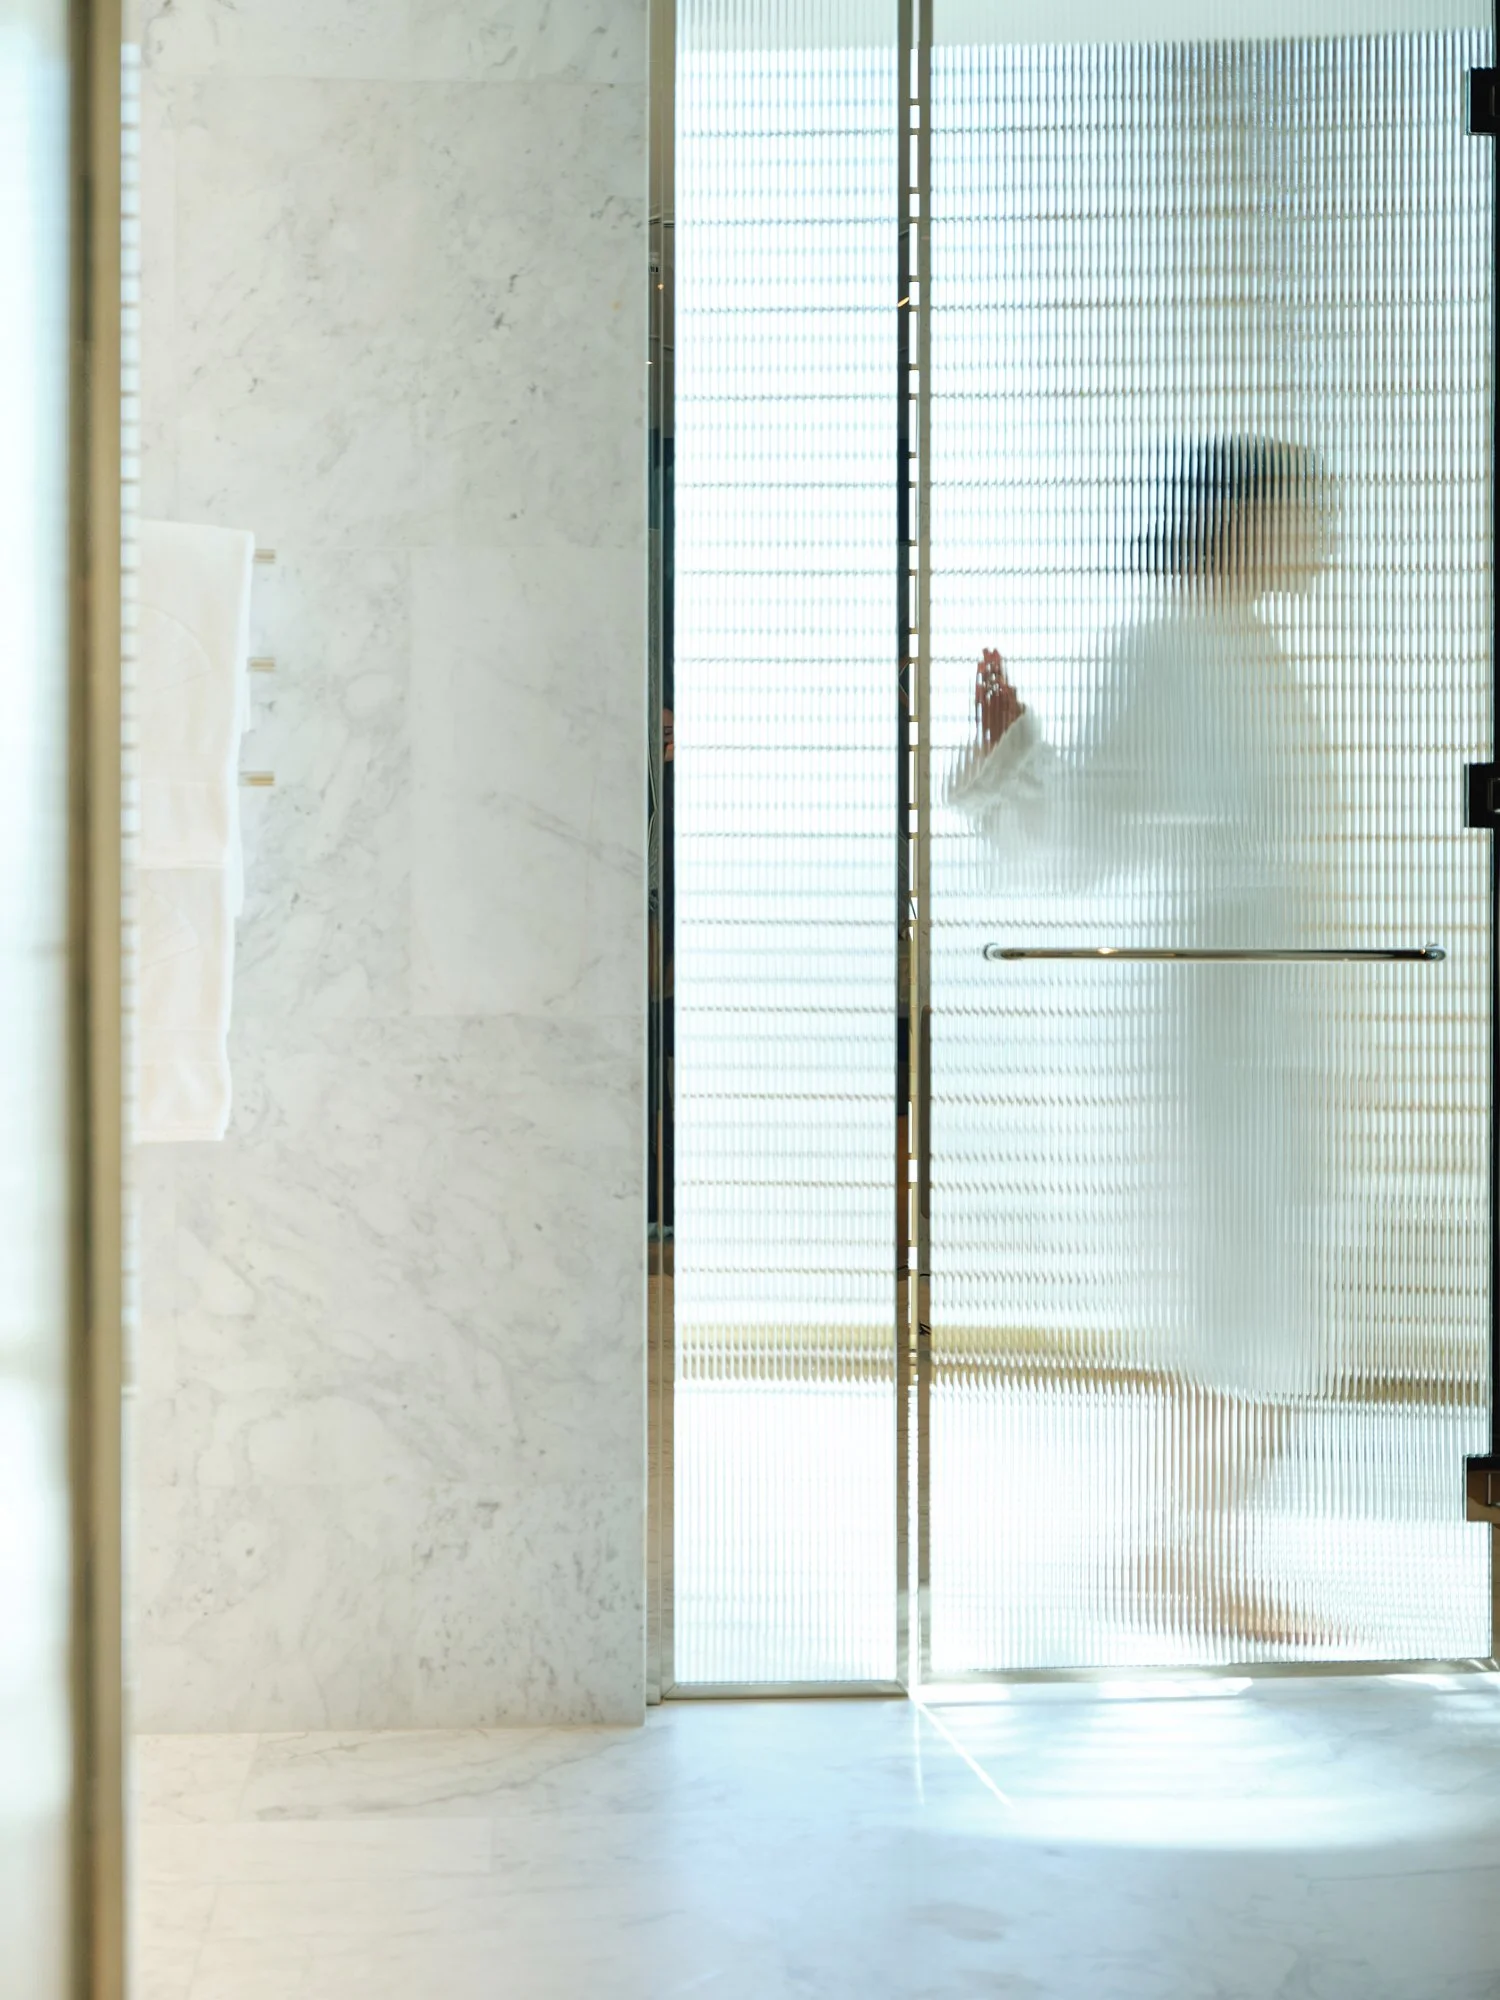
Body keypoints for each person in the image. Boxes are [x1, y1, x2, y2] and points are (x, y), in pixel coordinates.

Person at [946, 437, 1342, 1647]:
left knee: (1262, 1299)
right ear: (1238, 524)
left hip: (1273, 1014)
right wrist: (1011, 751)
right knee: (1234, 1297)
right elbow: (1089, 835)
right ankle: (1191, 1558)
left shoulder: (1251, 648)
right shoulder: (1166, 645)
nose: (1319, 539)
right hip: (1219, 1020)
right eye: (1300, 515)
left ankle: (1184, 1549)